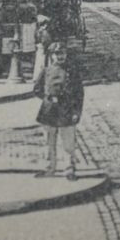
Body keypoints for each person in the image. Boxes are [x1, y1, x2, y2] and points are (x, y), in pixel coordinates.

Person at [33, 42, 85, 178]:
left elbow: (79, 95)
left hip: (66, 110)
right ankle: (50, 168)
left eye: (62, 53)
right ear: (51, 56)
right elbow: (37, 89)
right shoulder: (46, 71)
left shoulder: (72, 72)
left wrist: (76, 112)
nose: (60, 56)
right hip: (49, 110)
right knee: (49, 141)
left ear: (66, 55)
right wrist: (48, 99)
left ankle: (69, 168)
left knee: (68, 142)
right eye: (57, 54)